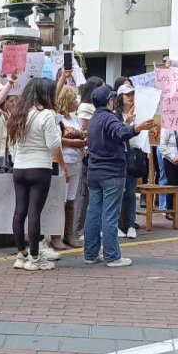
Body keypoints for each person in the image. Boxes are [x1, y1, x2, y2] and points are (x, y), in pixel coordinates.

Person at [83, 86, 155, 267]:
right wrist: (136, 127)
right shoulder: (108, 118)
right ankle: (112, 256)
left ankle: (91, 254)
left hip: (94, 172)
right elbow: (120, 132)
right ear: (109, 100)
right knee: (109, 215)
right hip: (111, 172)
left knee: (93, 213)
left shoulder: (94, 119)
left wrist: (130, 125)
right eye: (113, 98)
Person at [7, 78, 65, 271]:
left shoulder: (19, 113)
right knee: (34, 212)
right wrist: (57, 126)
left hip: (20, 167)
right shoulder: (47, 115)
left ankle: (21, 254)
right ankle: (34, 256)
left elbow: (12, 145)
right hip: (40, 167)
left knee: (19, 211)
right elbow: (53, 144)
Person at [72, 77, 106, 241]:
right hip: (86, 154)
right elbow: (83, 130)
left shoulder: (98, 109)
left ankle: (86, 228)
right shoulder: (85, 107)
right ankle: (78, 228)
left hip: (91, 154)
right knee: (83, 195)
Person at [53, 85, 86, 250]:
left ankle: (69, 233)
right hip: (63, 160)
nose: (76, 102)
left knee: (71, 198)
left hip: (77, 160)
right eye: (73, 99)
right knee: (61, 199)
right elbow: (56, 139)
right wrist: (73, 142)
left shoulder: (74, 117)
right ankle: (56, 235)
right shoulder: (58, 118)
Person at [114, 80, 140, 238]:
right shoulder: (114, 116)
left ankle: (131, 224)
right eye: (127, 94)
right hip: (119, 157)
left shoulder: (140, 113)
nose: (130, 97)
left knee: (130, 192)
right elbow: (116, 134)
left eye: (132, 94)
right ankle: (116, 224)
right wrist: (127, 123)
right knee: (118, 192)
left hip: (133, 157)